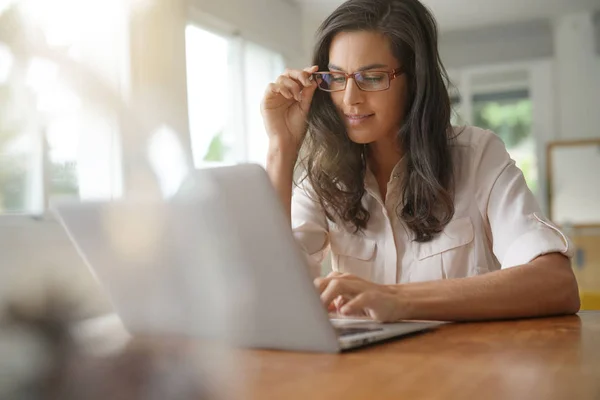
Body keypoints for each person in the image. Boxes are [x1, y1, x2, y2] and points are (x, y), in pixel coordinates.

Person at [261, 0, 579, 322]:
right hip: (363, 370)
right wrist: (281, 147)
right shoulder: (324, 175)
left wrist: (397, 299)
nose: (349, 99)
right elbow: (270, 288)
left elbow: (557, 284)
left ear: (415, 80)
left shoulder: (478, 155)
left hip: (467, 367)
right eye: (337, 78)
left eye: (372, 77)